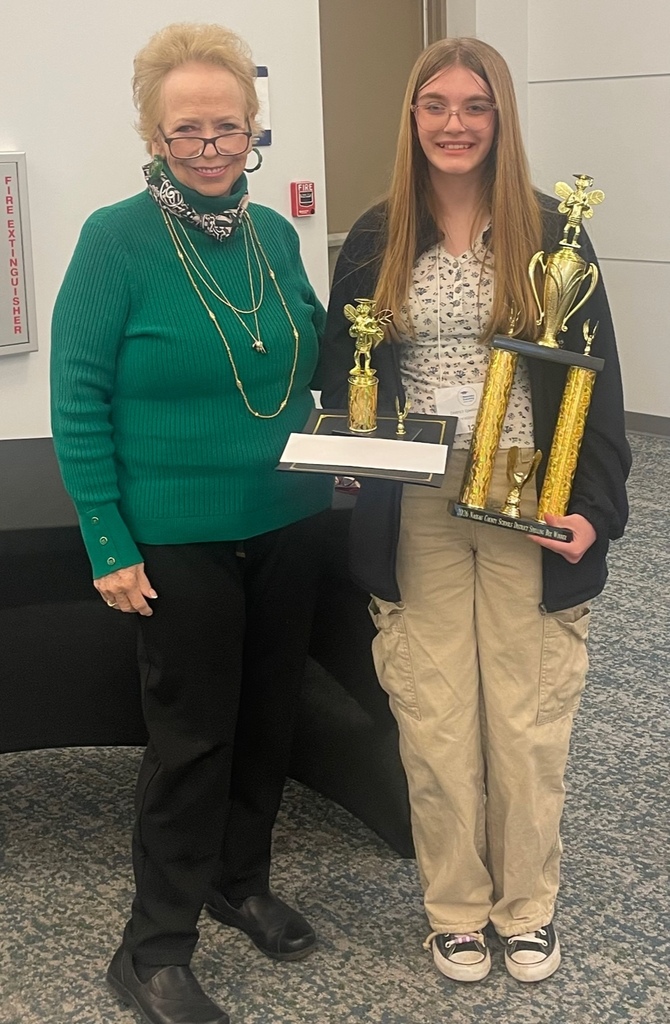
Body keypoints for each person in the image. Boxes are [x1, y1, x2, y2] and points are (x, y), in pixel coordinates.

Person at [317, 37, 630, 984]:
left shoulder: (553, 235)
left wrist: (597, 509)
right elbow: (343, 368)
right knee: (436, 714)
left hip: (527, 493)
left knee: (527, 716)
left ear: (500, 119)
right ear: (413, 118)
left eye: (475, 105)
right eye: (437, 105)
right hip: (416, 503)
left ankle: (526, 906)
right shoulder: (376, 237)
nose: (454, 124)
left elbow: (598, 381)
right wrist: (348, 452)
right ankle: (455, 908)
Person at [51, 23, 332, 1024]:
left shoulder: (275, 237)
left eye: (227, 127)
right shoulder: (114, 239)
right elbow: (77, 397)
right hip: (176, 533)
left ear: (254, 129)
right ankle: (153, 947)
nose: (209, 147)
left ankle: (237, 880)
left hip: (289, 517)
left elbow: (313, 356)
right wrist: (107, 539)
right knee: (192, 741)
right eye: (187, 130)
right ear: (154, 133)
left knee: (267, 720)